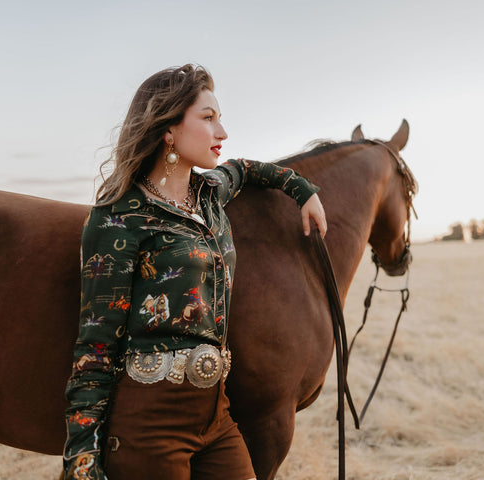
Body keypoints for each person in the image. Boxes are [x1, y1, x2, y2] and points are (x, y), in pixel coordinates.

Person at [63, 64, 326, 480]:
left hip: (216, 416)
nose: (221, 131)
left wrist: (302, 190)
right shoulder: (118, 217)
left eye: (219, 118)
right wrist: (82, 462)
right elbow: (94, 347)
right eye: (208, 118)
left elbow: (245, 168)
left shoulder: (210, 195)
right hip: (148, 421)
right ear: (168, 128)